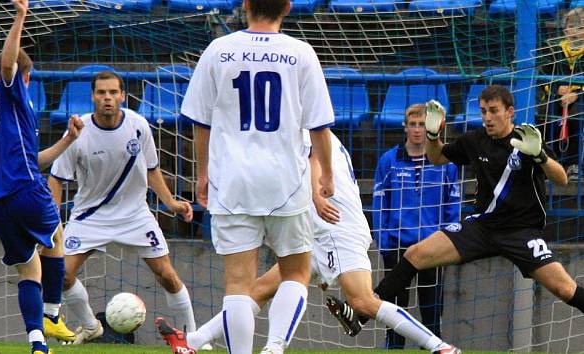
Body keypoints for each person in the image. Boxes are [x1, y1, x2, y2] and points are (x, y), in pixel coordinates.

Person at [155, 131, 461, 354]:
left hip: (334, 227)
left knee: (362, 301)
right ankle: (192, 342)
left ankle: (439, 346)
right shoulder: (319, 132)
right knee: (260, 289)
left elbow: (312, 162)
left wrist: (314, 196)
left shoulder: (302, 129)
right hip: (318, 229)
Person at [338, 85, 584, 333]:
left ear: (510, 111)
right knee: (415, 254)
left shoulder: (527, 139)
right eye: (483, 111)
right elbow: (437, 158)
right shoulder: (475, 140)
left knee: (564, 288)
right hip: (482, 227)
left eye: (493, 111)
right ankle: (360, 315)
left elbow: (561, 178)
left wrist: (540, 155)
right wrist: (433, 136)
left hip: (521, 232)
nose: (487, 117)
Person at [176, 0, 336, 352]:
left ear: (246, 5)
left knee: (238, 284)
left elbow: (200, 123)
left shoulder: (219, 50)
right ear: (288, 7)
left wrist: (202, 174)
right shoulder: (301, 53)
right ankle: (275, 346)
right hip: (287, 182)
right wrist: (325, 176)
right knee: (295, 273)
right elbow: (320, 126)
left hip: (232, 181)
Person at [47, 71, 196, 344]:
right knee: (61, 275)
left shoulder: (138, 126)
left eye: (113, 93)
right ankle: (91, 326)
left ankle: (194, 337)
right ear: (93, 96)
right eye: (102, 92)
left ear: (122, 96)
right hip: (90, 216)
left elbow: (152, 170)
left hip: (134, 215)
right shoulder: (78, 131)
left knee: (167, 275)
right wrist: (51, 222)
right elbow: (56, 179)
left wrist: (171, 203)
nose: (107, 98)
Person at [0, 0, 81, 352]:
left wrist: (67, 140)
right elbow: (9, 64)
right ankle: (52, 314)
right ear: (28, 79)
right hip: (23, 190)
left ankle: (36, 341)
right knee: (57, 235)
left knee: (27, 268)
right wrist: (20, 16)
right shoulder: (12, 91)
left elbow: (31, 159)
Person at [371, 104, 461, 348]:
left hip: (433, 246)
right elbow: (380, 204)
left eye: (422, 124)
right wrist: (383, 241)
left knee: (431, 311)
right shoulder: (390, 160)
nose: (417, 130)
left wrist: (450, 242)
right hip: (398, 245)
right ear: (405, 127)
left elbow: (453, 206)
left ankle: (434, 348)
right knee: (395, 310)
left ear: (432, 128)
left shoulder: (446, 163)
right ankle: (394, 349)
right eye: (413, 124)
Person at [539, 7, 584, 180]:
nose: (575, 32)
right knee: (545, 115)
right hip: (557, 97)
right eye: (571, 27)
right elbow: (543, 76)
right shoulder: (553, 50)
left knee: (575, 116)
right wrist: (557, 89)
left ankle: (573, 164)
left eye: (580, 28)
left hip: (580, 98)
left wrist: (577, 93)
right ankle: (549, 161)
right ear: (565, 30)